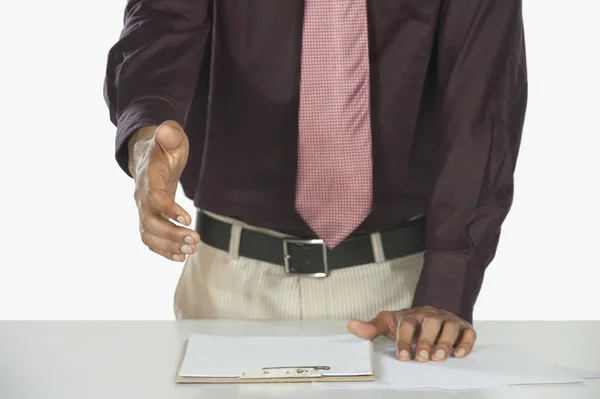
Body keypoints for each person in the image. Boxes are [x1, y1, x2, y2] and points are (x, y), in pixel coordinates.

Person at [104, 0, 527, 363]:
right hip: (227, 285)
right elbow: (160, 24)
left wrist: (445, 293)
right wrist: (146, 135)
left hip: (402, 295)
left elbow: (482, 103)